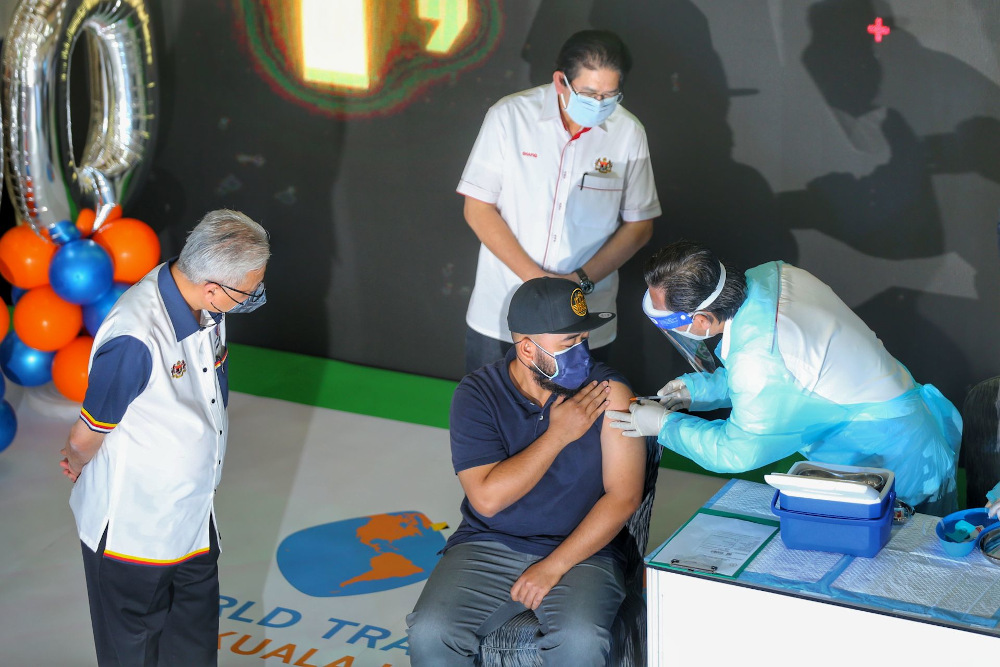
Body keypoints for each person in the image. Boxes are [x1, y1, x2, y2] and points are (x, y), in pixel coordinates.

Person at [607, 240, 962, 514]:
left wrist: (665, 426)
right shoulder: (771, 276)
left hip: (891, 465)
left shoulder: (760, 364)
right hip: (905, 427)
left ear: (700, 321)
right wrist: (699, 390)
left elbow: (736, 452)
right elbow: (794, 378)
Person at [59, 209, 270, 666]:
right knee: (132, 653)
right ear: (213, 287)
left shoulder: (205, 304)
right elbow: (86, 435)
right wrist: (77, 464)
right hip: (134, 536)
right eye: (248, 291)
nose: (252, 297)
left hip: (193, 520)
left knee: (192, 647)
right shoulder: (135, 337)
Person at [407, 277, 646, 665]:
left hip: (583, 551)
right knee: (431, 632)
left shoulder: (608, 391)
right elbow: (486, 499)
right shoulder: (477, 394)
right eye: (567, 345)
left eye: (583, 339)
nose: (581, 353)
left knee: (581, 639)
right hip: (489, 543)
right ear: (527, 348)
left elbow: (624, 495)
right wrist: (559, 434)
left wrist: (553, 566)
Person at [459, 29, 661, 373]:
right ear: (560, 81)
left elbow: (639, 225)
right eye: (589, 93)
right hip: (503, 306)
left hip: (583, 318)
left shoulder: (628, 132)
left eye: (610, 95)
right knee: (492, 418)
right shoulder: (510, 116)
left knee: (579, 418)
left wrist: (579, 281)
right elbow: (477, 208)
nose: (599, 104)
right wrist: (536, 281)